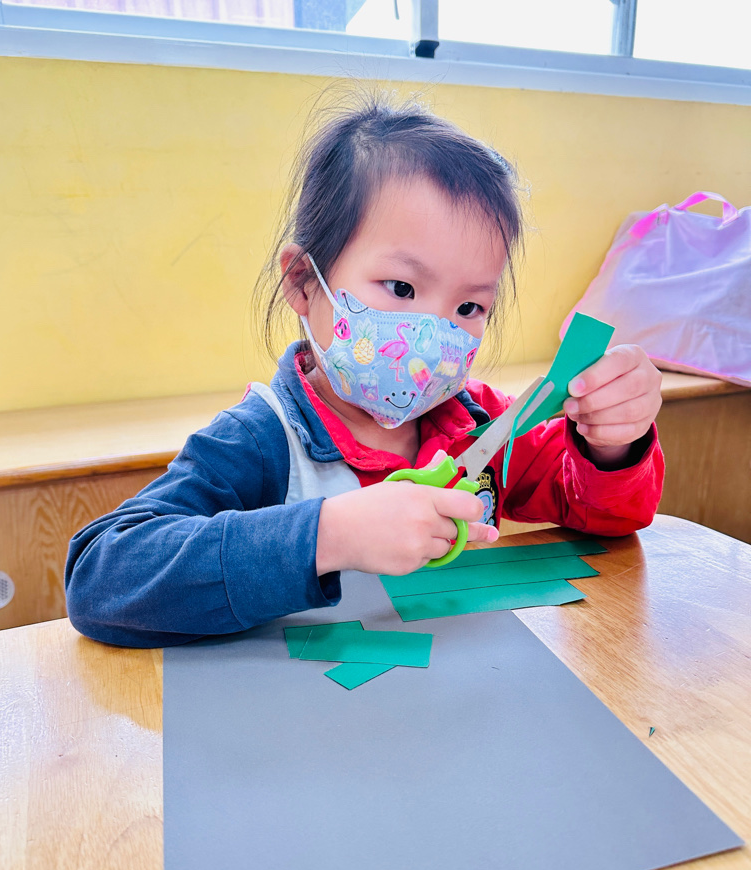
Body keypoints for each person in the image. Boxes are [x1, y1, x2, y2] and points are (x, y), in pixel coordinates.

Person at [65, 97, 664, 648]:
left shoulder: (480, 424)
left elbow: (610, 514)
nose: (433, 337)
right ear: (303, 281)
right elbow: (101, 578)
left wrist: (614, 441)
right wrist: (329, 535)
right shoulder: (261, 440)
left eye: (469, 307)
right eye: (401, 288)